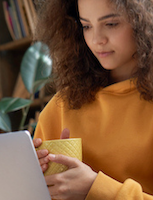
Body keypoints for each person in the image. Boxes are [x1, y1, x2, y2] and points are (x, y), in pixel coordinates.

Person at [32, 0, 153, 199]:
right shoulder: (61, 106)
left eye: (111, 24)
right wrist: (37, 177)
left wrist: (94, 188)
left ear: (145, 21)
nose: (96, 39)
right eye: (86, 26)